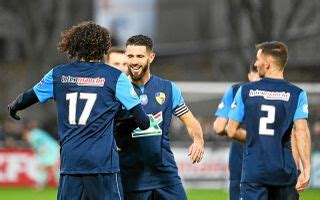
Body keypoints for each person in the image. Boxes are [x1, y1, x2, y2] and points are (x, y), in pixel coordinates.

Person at [8, 21, 150, 200]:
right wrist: (121, 130)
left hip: (71, 163)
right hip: (103, 164)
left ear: (73, 45)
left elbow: (27, 97)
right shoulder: (115, 77)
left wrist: (14, 107)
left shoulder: (58, 75)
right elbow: (143, 122)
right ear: (103, 47)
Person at [116, 34, 204, 200]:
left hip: (165, 176)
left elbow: (190, 121)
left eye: (140, 56)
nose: (134, 61)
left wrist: (198, 141)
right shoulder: (117, 90)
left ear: (151, 57)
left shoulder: (168, 88)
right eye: (130, 56)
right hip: (131, 178)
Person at [226, 41, 311, 199]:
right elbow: (301, 131)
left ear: (267, 64)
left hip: (254, 173)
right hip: (285, 173)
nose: (256, 64)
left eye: (258, 60)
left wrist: (254, 138)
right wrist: (306, 169)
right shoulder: (297, 94)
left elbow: (231, 130)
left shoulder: (245, 91)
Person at [213, 63, 260, 200]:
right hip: (269, 158)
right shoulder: (280, 92)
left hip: (240, 157)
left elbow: (219, 127)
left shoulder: (236, 90)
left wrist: (237, 132)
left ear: (250, 75)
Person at [22, 120, 60, 188]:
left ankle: (59, 184)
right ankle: (43, 184)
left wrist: (40, 149)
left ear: (26, 132)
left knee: (53, 167)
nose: (24, 138)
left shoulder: (33, 135)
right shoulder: (37, 132)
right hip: (50, 149)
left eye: (24, 136)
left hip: (51, 150)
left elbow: (39, 145)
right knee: (44, 167)